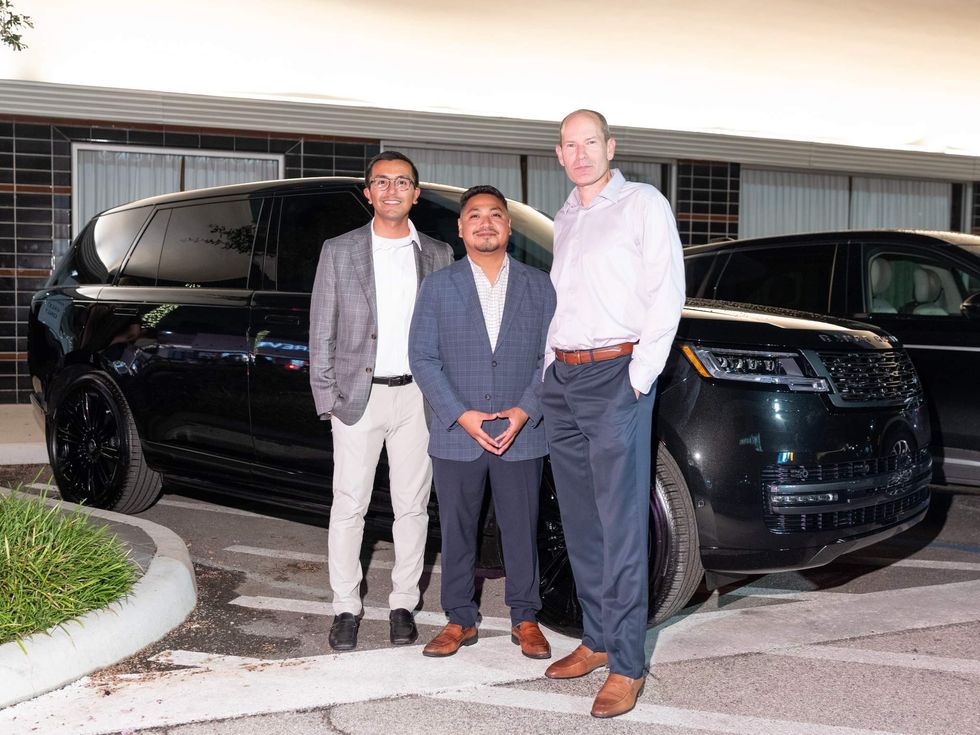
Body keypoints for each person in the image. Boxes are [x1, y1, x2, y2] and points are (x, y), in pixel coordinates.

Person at [540, 110, 685, 718]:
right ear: (559, 153)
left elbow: (667, 291)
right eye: (569, 146)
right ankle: (597, 639)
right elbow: (566, 299)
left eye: (589, 143)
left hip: (615, 375)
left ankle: (627, 663)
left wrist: (638, 376)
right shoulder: (568, 216)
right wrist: (549, 364)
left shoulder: (643, 204)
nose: (580, 154)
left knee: (622, 523)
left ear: (610, 146)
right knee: (581, 521)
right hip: (565, 377)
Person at [309, 151, 454, 651]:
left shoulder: (438, 254)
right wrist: (327, 399)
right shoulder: (340, 250)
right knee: (349, 506)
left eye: (403, 182)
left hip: (419, 398)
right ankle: (346, 606)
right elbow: (321, 329)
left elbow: (449, 334)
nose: (392, 190)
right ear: (367, 192)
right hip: (358, 398)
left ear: (417, 193)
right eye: (382, 182)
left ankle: (402, 604)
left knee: (413, 508)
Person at [409, 185, 556, 659]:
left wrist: (525, 409)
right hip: (458, 432)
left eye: (496, 215)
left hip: (522, 430)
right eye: (475, 215)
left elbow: (551, 358)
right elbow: (423, 357)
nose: (485, 223)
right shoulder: (438, 286)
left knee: (521, 528)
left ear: (509, 227)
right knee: (457, 531)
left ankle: (526, 617)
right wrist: (460, 414)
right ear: (461, 227)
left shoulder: (540, 285)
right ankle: (459, 618)